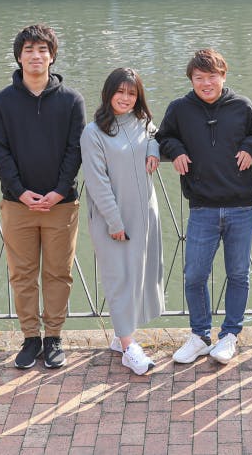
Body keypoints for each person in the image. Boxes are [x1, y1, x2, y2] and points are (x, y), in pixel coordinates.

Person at [157, 48, 252, 366]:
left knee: (238, 274)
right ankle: (200, 335)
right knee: (194, 275)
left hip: (241, 206)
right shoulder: (180, 108)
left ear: (223, 76)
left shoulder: (241, 106)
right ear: (191, 79)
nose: (206, 84)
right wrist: (176, 150)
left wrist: (250, 147)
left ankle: (230, 335)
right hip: (202, 207)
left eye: (212, 77)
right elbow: (164, 136)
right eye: (199, 78)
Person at [0, 24, 85, 370]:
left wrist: (59, 191)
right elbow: (0, 152)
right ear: (18, 56)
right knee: (23, 274)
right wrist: (19, 190)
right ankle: (30, 337)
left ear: (52, 56)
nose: (35, 56)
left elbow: (75, 150)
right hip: (18, 204)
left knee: (58, 273)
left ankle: (53, 337)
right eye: (28, 49)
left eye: (43, 50)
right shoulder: (2, 101)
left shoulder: (71, 100)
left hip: (62, 204)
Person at [80, 68, 164, 376]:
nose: (125, 98)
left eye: (132, 93)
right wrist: (114, 221)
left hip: (144, 213)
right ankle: (129, 347)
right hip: (113, 217)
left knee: (140, 275)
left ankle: (121, 335)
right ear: (108, 93)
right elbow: (96, 181)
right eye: (120, 92)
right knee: (119, 277)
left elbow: (156, 134)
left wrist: (154, 149)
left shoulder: (141, 121)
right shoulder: (93, 133)